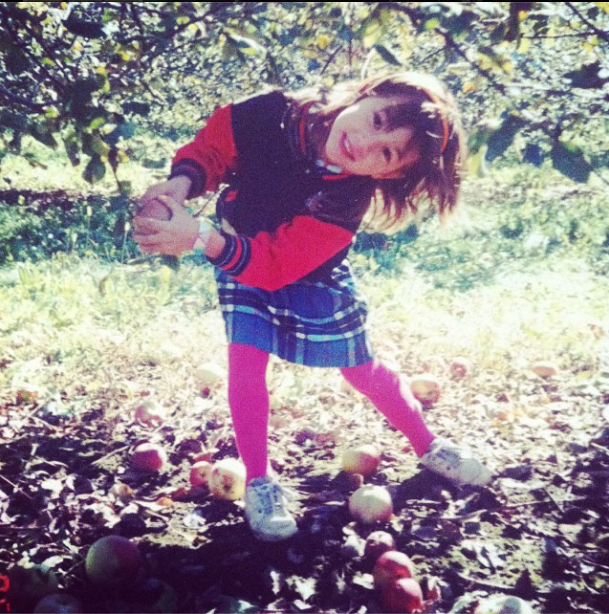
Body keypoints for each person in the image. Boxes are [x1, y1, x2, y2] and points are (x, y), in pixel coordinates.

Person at [133, 71, 492, 542]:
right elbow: (215, 147)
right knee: (246, 363)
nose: (366, 143)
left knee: (361, 368)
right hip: (239, 253)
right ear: (366, 95)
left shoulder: (345, 199)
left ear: (389, 175)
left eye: (387, 154)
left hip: (309, 274)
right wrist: (180, 185)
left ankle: (428, 444)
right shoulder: (270, 115)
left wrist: (199, 236)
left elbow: (277, 264)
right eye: (377, 120)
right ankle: (258, 481)